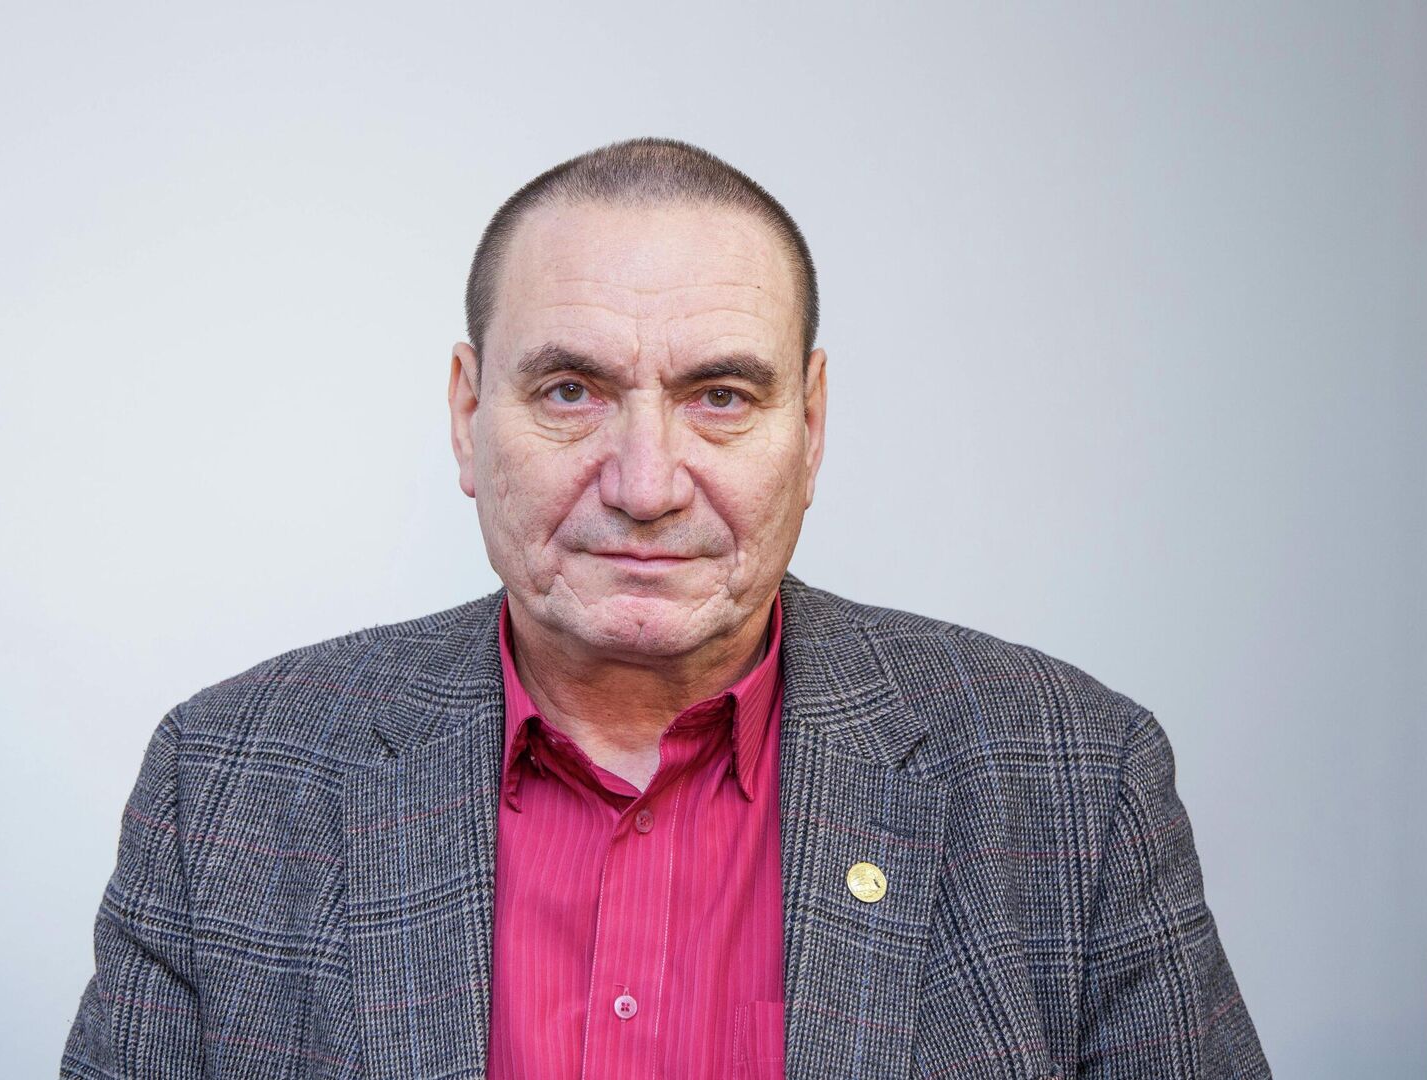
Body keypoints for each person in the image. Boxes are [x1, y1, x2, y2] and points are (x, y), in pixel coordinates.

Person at [61, 137, 1270, 1080]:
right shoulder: (227, 779)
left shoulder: (1073, 779)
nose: (645, 486)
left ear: (812, 426)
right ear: (467, 416)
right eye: (571, 390)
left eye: (721, 396)